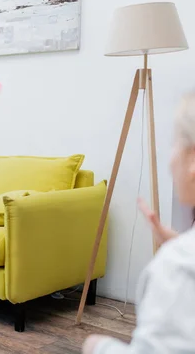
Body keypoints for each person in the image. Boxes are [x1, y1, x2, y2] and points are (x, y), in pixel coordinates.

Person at [82, 92, 195, 353]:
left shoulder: (178, 267)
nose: (170, 159)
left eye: (175, 143)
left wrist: (96, 346)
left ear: (192, 159)